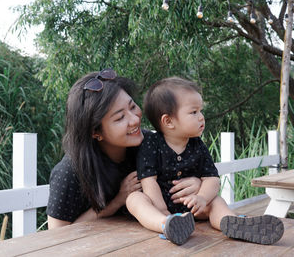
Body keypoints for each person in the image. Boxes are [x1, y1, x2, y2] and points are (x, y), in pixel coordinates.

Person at [126, 77, 284, 245]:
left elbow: (212, 178)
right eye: (194, 112)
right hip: (159, 206)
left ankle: (231, 222)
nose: (201, 117)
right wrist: (164, 212)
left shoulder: (198, 145)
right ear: (168, 121)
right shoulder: (151, 143)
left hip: (194, 205)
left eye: (200, 111)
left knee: (215, 201)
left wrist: (201, 198)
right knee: (135, 199)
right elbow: (149, 181)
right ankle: (165, 224)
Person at [46, 69, 202, 229]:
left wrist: (197, 184)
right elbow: (57, 234)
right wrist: (117, 202)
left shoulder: (150, 144)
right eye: (120, 117)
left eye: (133, 106)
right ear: (95, 132)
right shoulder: (70, 171)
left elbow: (181, 175)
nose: (135, 120)